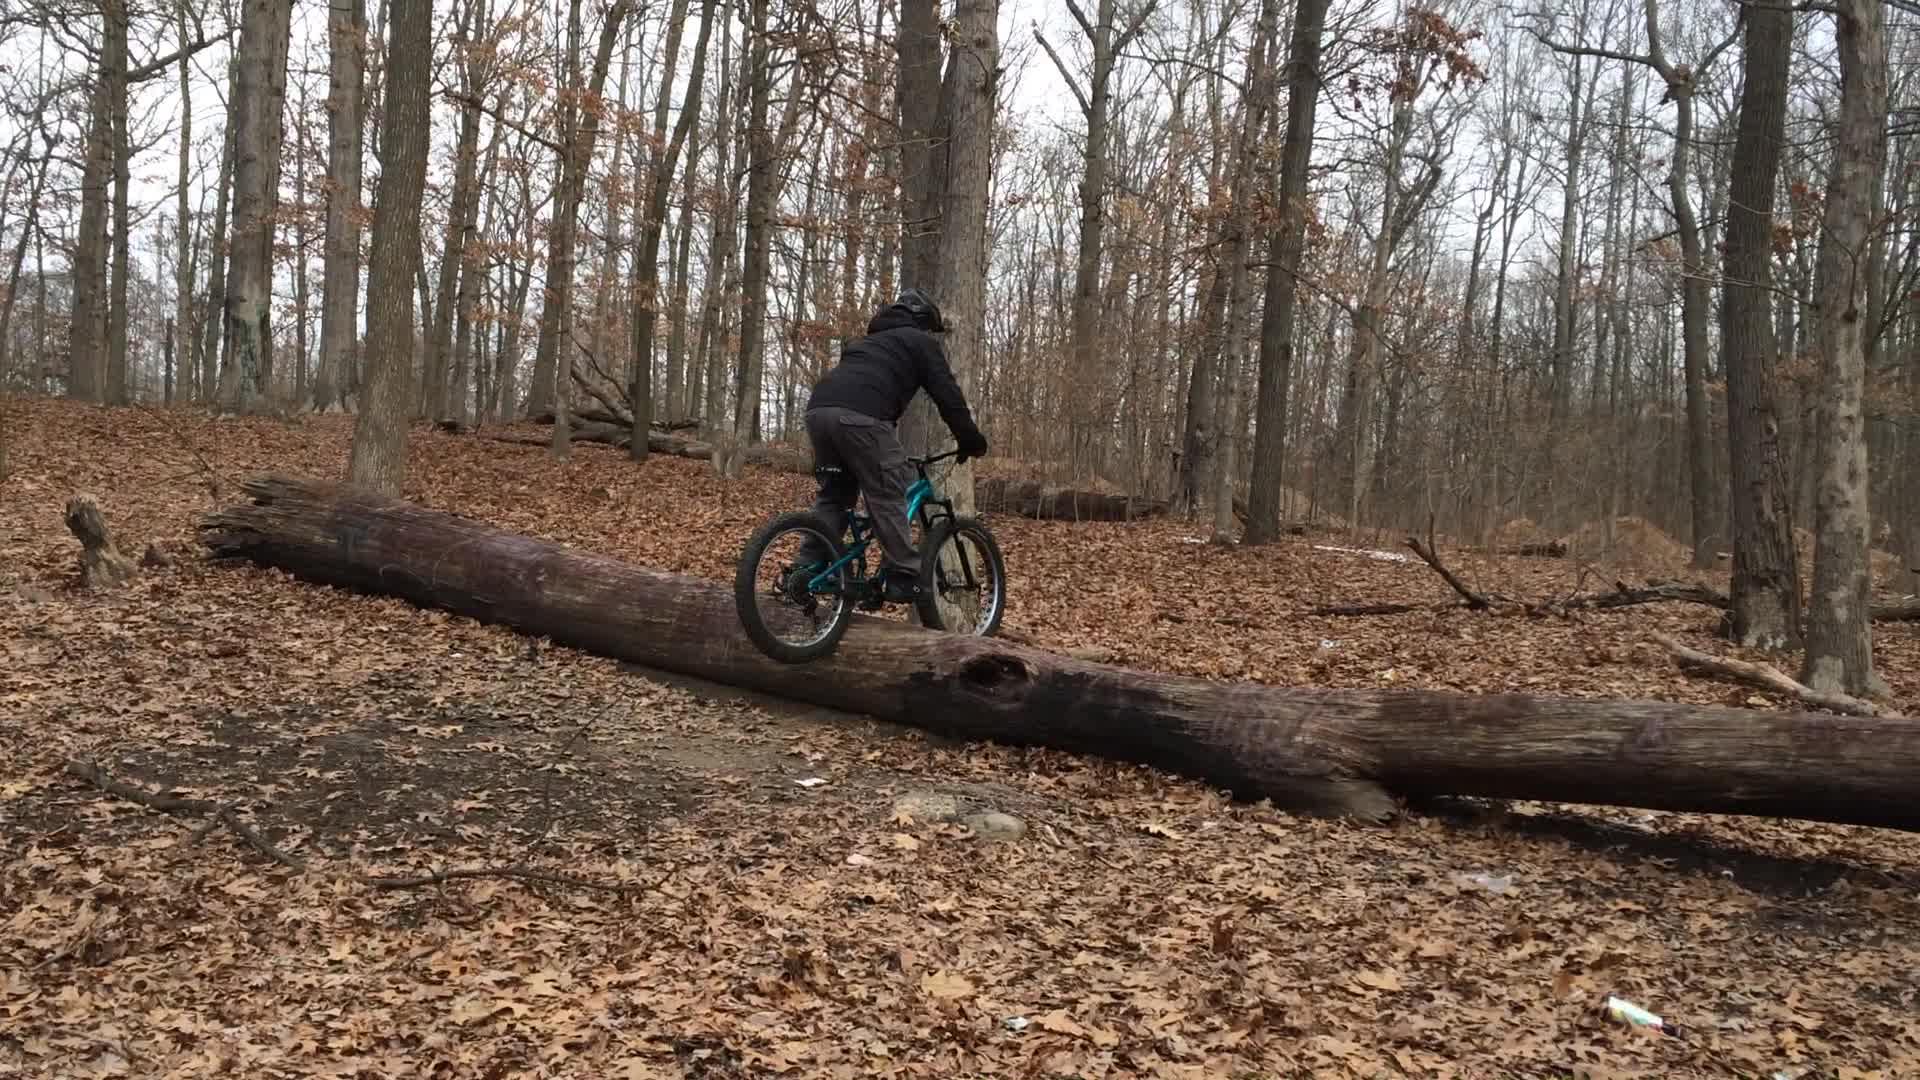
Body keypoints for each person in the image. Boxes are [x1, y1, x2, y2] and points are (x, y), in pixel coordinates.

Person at [794, 288, 989, 603]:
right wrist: (970, 439)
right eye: (928, 328)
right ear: (922, 320)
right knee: (889, 491)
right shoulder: (919, 341)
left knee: (835, 497)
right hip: (862, 418)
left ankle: (805, 570)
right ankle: (902, 576)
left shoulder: (866, 344)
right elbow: (947, 394)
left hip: (819, 412)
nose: (929, 335)